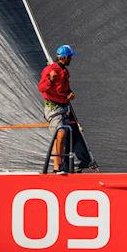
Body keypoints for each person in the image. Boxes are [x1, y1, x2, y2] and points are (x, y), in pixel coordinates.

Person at [37, 44, 96, 173]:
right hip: (53, 108)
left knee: (64, 136)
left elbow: (65, 89)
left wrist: (70, 94)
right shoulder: (50, 70)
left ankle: (65, 165)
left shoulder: (65, 71)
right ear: (64, 58)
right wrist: (50, 80)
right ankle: (57, 167)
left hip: (64, 107)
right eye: (70, 57)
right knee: (60, 134)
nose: (71, 59)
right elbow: (41, 88)